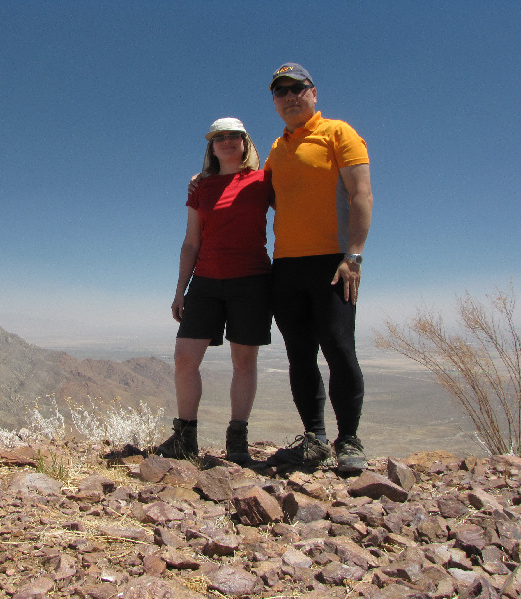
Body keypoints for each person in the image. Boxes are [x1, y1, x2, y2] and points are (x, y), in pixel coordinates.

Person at [263, 63, 373, 473]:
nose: (289, 96)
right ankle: (315, 437)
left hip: (333, 262)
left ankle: (349, 440)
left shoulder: (338, 133)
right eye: (280, 91)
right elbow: (265, 195)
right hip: (287, 265)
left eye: (297, 88)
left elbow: (361, 194)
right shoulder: (276, 148)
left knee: (340, 349)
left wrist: (354, 255)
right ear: (274, 101)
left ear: (313, 92)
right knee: (299, 355)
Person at [156, 117, 274, 464]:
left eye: (233, 136)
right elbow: (191, 241)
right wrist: (180, 289)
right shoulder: (200, 188)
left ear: (245, 142)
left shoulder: (264, 179)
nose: (225, 141)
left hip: (251, 279)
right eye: (218, 137)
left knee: (243, 361)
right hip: (205, 281)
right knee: (184, 358)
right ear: (211, 146)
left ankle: (237, 440)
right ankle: (185, 438)